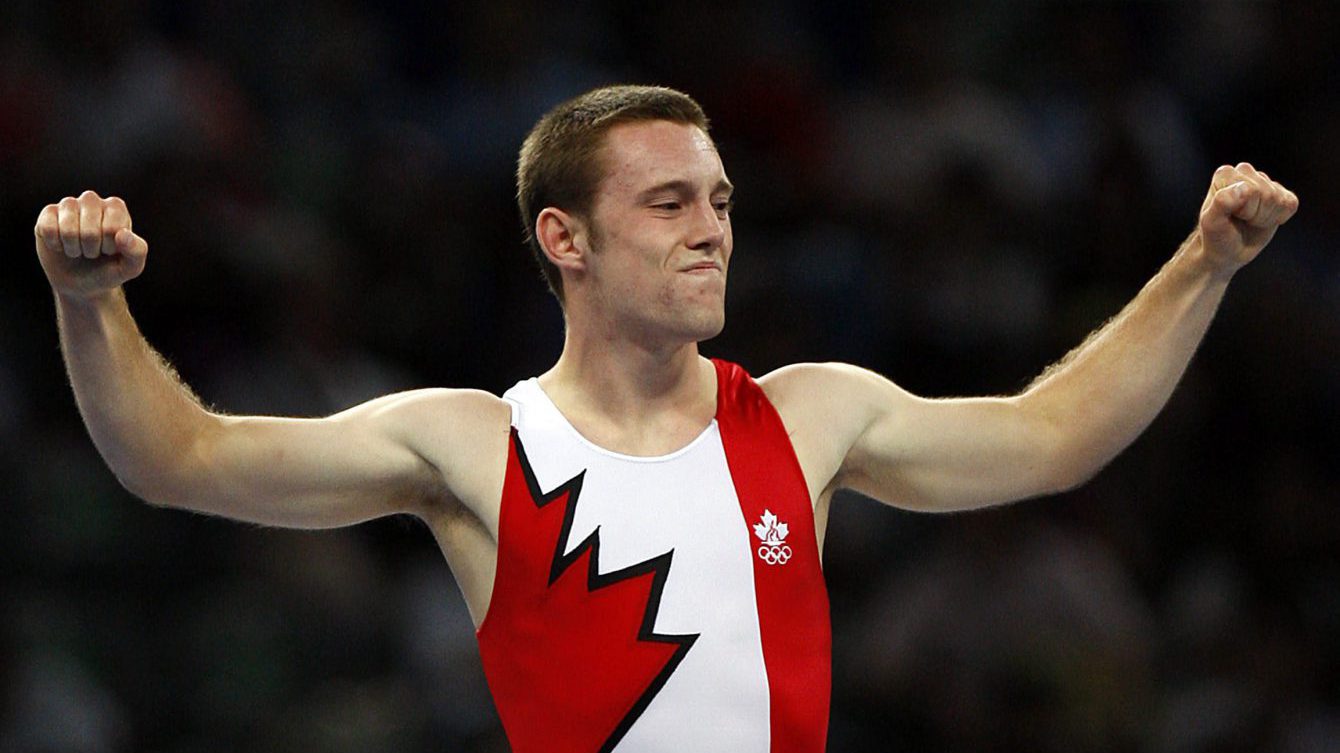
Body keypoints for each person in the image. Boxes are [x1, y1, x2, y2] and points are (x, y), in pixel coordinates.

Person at [33, 85, 1297, 752]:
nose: (711, 230)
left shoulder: (810, 419)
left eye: (723, 200)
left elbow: (1052, 436)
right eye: (669, 204)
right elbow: (175, 459)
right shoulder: (471, 446)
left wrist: (1201, 264)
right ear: (562, 239)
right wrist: (89, 307)